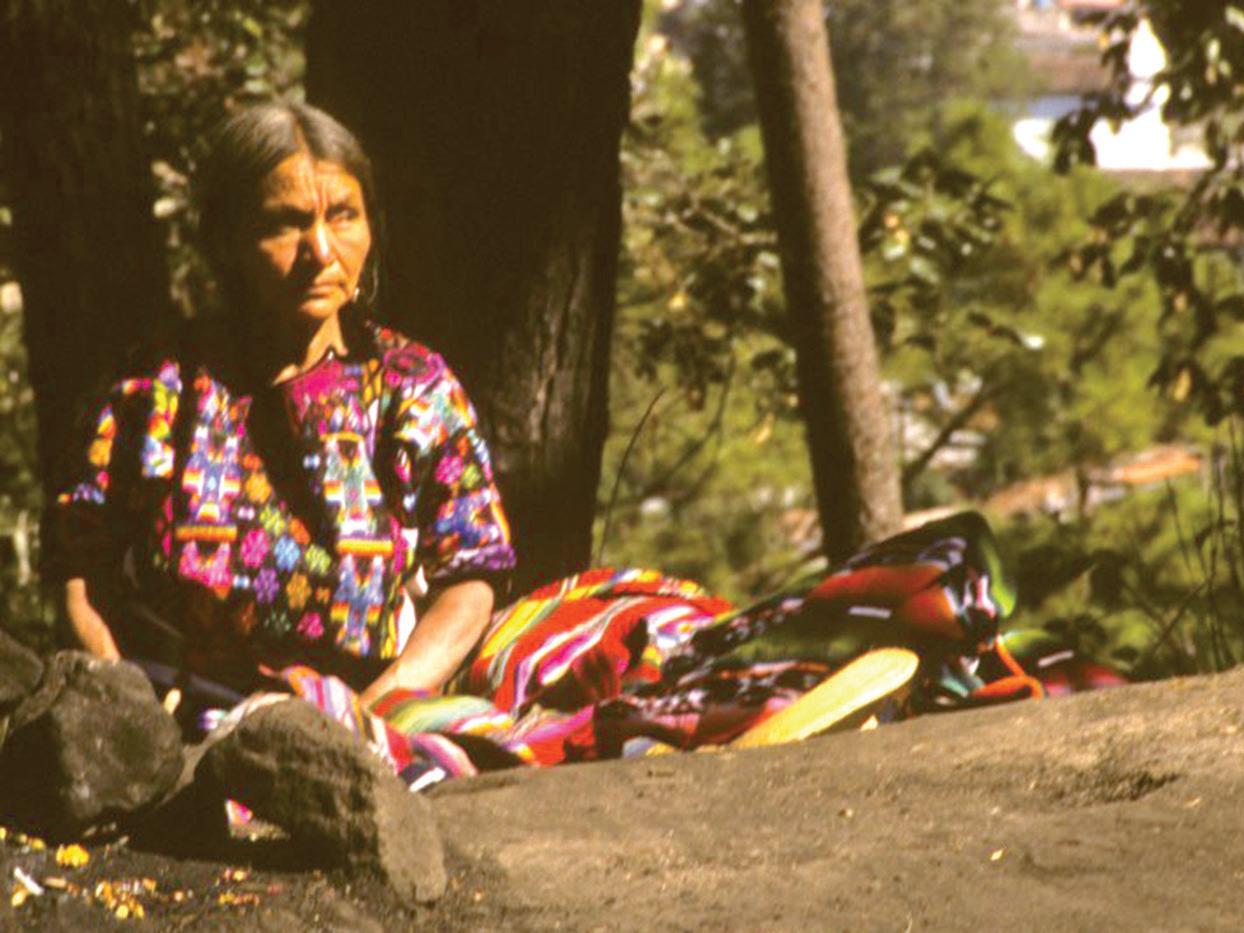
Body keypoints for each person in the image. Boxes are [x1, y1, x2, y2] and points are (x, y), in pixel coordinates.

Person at [44, 101, 1093, 790]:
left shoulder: (411, 384)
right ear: (225, 239)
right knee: (536, 738)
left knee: (645, 626)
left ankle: (843, 669)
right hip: (229, 703)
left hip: (400, 683)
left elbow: (468, 579)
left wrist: (380, 699)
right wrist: (127, 700)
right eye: (284, 223)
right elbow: (83, 571)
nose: (321, 249)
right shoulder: (154, 392)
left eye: (344, 216)